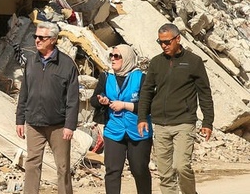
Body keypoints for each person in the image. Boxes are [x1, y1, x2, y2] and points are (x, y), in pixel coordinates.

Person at [137, 23, 214, 194]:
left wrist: (208, 122)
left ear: (178, 39)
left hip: (184, 122)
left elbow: (205, 94)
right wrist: (142, 117)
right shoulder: (156, 63)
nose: (164, 45)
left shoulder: (194, 62)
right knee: (165, 174)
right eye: (160, 42)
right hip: (161, 124)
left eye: (167, 42)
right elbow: (147, 91)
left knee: (181, 166)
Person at [15, 22, 80, 194]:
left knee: (63, 167)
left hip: (58, 125)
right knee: (32, 164)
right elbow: (24, 93)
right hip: (34, 123)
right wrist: (20, 120)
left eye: (41, 37)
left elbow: (73, 98)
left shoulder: (66, 64)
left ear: (53, 39)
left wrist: (69, 125)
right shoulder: (31, 61)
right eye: (35, 37)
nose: (37, 40)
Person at [90, 44, 152, 194]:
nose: (113, 59)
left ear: (127, 59)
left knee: (139, 169)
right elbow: (94, 100)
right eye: (111, 55)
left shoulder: (141, 78)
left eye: (117, 56)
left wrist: (124, 105)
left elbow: (148, 105)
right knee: (112, 170)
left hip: (138, 130)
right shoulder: (106, 76)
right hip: (114, 129)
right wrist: (102, 101)